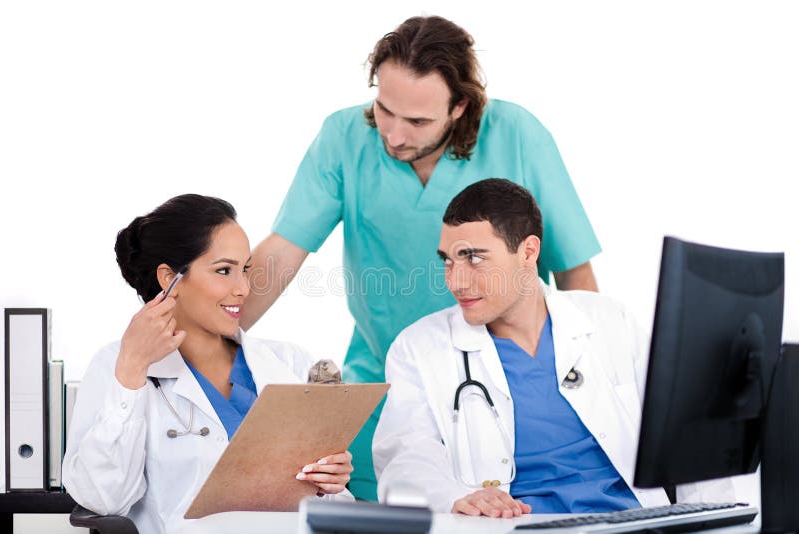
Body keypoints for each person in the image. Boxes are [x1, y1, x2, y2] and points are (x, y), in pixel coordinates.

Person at [242, 16, 602, 500]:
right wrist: (206, 330)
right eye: (384, 109)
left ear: (460, 107)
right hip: (385, 381)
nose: (392, 135)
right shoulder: (344, 137)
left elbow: (573, 271)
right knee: (388, 506)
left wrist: (595, 380)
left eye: (416, 121)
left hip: (513, 383)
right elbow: (282, 254)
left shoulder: (518, 135)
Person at [372, 179, 734, 516]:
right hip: (523, 525)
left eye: (474, 257)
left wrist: (715, 518)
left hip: (632, 520)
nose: (455, 279)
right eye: (448, 260)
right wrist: (455, 497)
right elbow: (405, 456)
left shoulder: (609, 321)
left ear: (528, 252)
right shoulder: (419, 348)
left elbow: (685, 434)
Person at [62, 194, 353, 534]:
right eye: (224, 271)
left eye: (245, 269)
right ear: (169, 278)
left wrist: (330, 482)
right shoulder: (117, 366)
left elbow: (335, 510)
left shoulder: (290, 361)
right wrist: (131, 373)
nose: (244, 288)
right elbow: (103, 499)